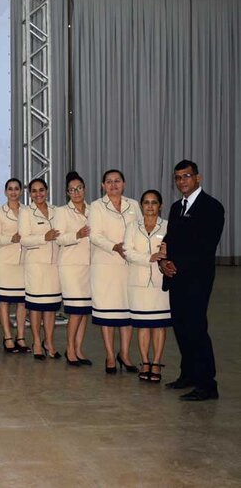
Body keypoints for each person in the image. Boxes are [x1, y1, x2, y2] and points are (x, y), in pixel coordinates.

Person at [160, 160, 224, 401]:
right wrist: (163, 262)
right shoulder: (177, 207)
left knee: (196, 328)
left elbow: (206, 246)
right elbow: (169, 239)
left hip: (197, 279)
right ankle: (188, 374)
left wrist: (177, 264)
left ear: (198, 178)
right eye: (178, 177)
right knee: (180, 326)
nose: (182, 181)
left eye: (186, 176)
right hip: (175, 277)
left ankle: (207, 384)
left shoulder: (212, 207)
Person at [89, 169, 140, 374]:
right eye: (109, 182)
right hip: (105, 267)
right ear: (103, 186)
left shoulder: (133, 205)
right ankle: (110, 355)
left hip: (129, 266)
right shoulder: (96, 206)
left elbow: (141, 229)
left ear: (124, 184)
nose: (113, 185)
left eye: (117, 181)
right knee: (108, 314)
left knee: (127, 312)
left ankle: (124, 354)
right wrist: (114, 247)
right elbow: (95, 235)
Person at [124, 189, 170, 382]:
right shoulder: (132, 227)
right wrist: (149, 258)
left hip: (161, 284)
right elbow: (127, 251)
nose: (150, 206)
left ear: (160, 206)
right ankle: (144, 362)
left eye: (154, 202)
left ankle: (156, 363)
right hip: (138, 284)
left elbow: (174, 250)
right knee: (143, 325)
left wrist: (166, 255)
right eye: (146, 202)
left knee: (159, 325)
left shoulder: (168, 226)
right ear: (141, 205)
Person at [19, 178, 61, 360]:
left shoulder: (57, 211)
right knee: (35, 307)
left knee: (51, 308)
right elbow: (23, 239)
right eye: (34, 191)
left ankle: (49, 342)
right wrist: (44, 237)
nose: (38, 194)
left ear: (47, 191)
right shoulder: (26, 212)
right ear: (30, 194)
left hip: (54, 266)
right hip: (35, 266)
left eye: (41, 190)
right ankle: (36, 342)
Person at [55, 172, 93, 366]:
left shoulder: (93, 210)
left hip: (90, 266)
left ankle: (78, 349)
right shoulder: (62, 212)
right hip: (71, 266)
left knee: (84, 310)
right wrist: (77, 235)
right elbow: (59, 238)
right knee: (76, 310)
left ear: (84, 189)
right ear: (67, 193)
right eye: (72, 190)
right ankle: (70, 348)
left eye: (79, 188)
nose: (76, 192)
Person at [0, 178, 29, 353]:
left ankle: (20, 337)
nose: (13, 192)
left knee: (22, 302)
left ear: (21, 191)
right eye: (10, 189)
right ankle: (7, 337)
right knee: (4, 300)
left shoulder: (27, 211)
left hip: (23, 261)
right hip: (4, 262)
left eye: (16, 189)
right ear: (6, 192)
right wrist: (10, 239)